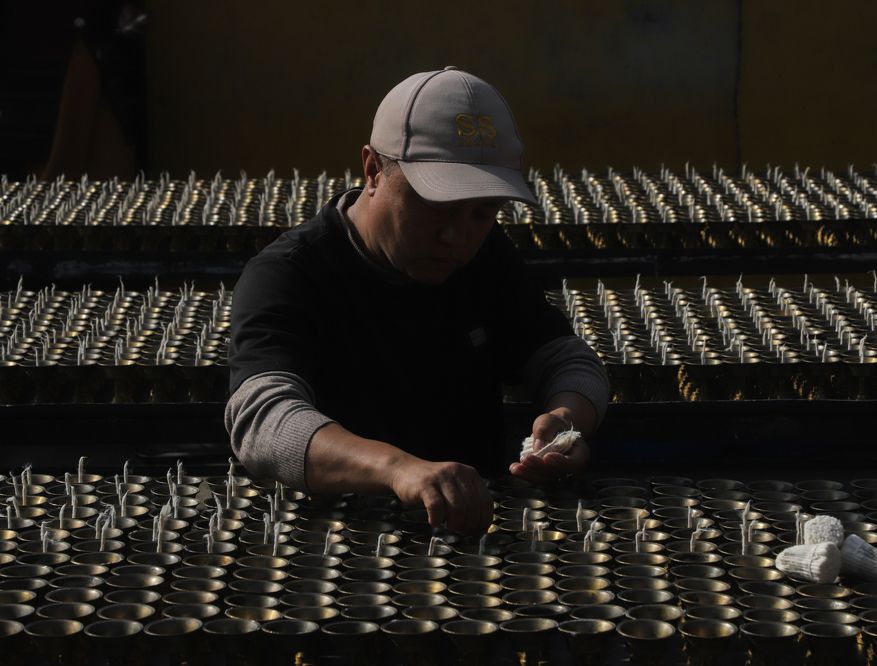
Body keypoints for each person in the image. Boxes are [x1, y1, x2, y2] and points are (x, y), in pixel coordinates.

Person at [225, 67, 609, 534]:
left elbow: (565, 357)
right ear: (372, 170)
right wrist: (398, 469)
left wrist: (567, 423)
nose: (457, 236)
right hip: (329, 543)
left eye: (482, 212)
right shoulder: (291, 273)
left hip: (471, 539)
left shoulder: (484, 258)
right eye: (435, 206)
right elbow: (265, 423)